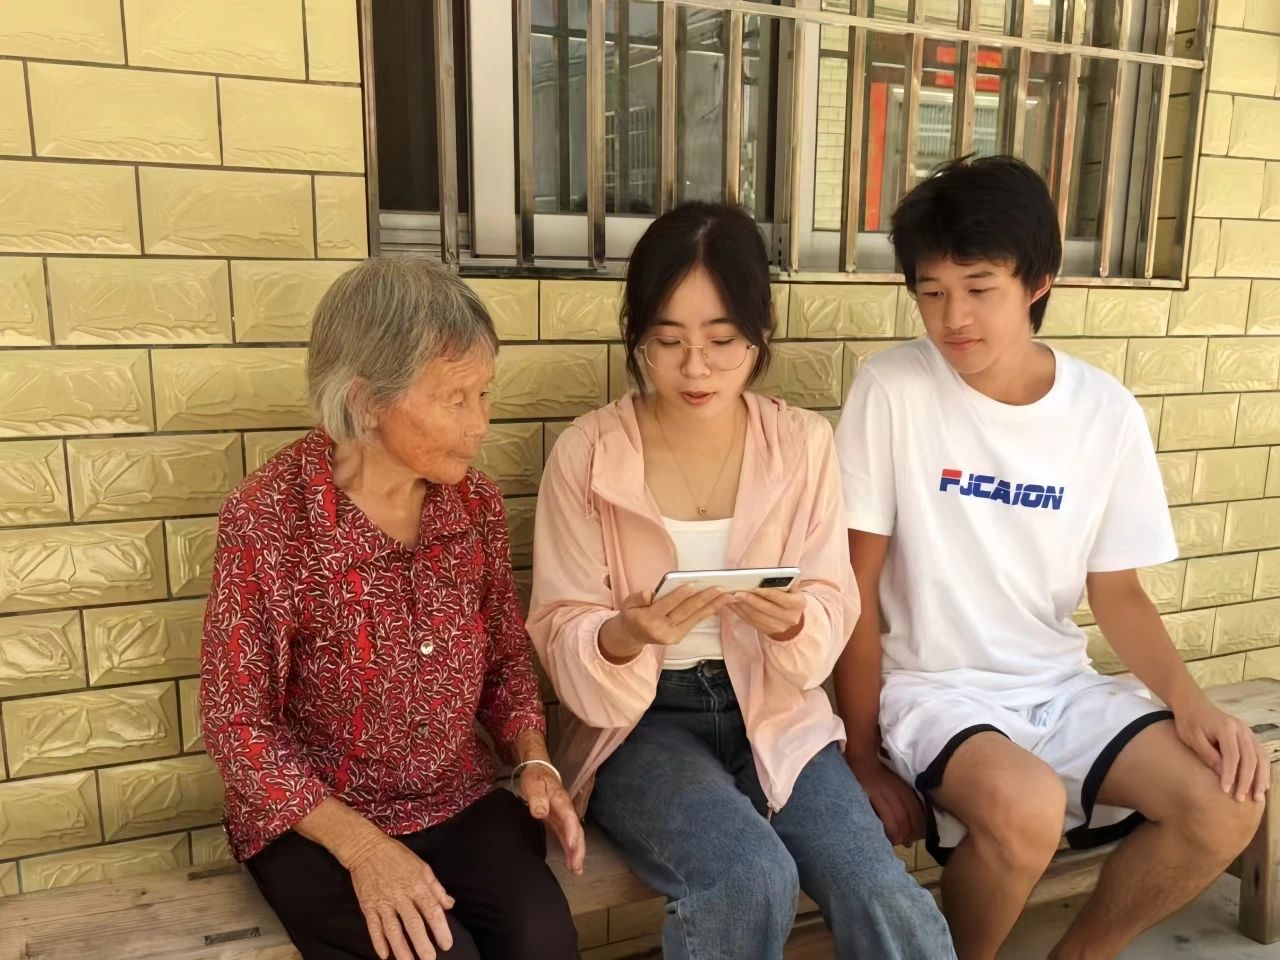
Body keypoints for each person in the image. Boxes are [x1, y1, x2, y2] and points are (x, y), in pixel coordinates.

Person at [833, 156, 1267, 960]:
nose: (953, 317)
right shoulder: (891, 389)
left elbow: (1118, 592)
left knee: (1226, 799)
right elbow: (852, 585)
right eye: (932, 292)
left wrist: (1192, 703)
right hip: (931, 690)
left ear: (1038, 281)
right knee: (1025, 808)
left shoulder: (1104, 410)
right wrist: (859, 754)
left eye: (979, 287)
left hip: (1058, 686)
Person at [527, 202, 955, 960]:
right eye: (667, 341)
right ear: (637, 335)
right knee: (748, 875)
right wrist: (622, 635)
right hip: (644, 725)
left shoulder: (800, 444)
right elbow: (561, 621)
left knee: (876, 884)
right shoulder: (590, 455)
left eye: (722, 341)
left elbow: (832, 598)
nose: (695, 368)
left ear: (760, 332)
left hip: (777, 711)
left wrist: (795, 622)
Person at [200, 257, 582, 960]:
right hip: (317, 822)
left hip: (454, 797)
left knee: (544, 940)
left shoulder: (474, 504)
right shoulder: (270, 518)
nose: (481, 423)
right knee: (439, 955)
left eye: (484, 394)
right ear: (365, 399)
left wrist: (535, 761)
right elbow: (238, 725)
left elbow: (504, 659)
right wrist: (365, 850)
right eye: (455, 399)